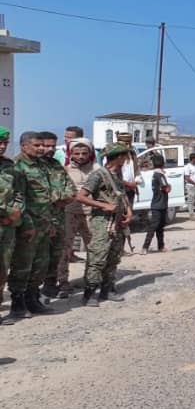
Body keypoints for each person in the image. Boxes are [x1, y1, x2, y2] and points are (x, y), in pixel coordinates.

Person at [6, 132, 57, 320]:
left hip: (43, 223)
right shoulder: (17, 166)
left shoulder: (41, 165)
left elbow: (46, 197)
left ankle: (32, 298)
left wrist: (50, 222)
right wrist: (27, 225)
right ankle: (18, 304)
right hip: (27, 225)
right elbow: (18, 199)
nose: (42, 148)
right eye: (37, 145)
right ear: (24, 146)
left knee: (40, 264)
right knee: (22, 265)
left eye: (42, 145)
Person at [76, 142, 132, 306]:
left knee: (114, 257)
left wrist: (128, 212)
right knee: (98, 257)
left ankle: (107, 289)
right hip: (102, 222)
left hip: (117, 222)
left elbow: (122, 195)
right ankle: (89, 293)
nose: (126, 159)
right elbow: (81, 196)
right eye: (125, 156)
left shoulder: (116, 175)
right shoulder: (99, 175)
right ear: (120, 157)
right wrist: (103, 205)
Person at [39, 131, 77, 299]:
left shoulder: (56, 165)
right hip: (38, 219)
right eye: (46, 146)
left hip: (58, 218)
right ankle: (30, 293)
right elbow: (37, 193)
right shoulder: (30, 165)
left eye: (53, 146)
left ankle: (49, 287)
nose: (50, 149)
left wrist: (61, 199)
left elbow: (71, 189)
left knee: (56, 255)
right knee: (37, 257)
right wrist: (58, 197)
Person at [61, 137, 97, 298]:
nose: (81, 156)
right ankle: (63, 281)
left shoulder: (97, 170)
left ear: (90, 153)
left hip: (92, 213)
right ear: (71, 154)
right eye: (77, 153)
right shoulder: (66, 170)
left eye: (84, 153)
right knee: (65, 249)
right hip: (70, 212)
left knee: (94, 248)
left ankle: (91, 279)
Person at [0, 126, 26, 323]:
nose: (2, 146)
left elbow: (19, 193)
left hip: (7, 225)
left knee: (2, 269)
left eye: (5, 143)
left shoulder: (10, 167)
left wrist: (15, 212)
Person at [141, 152, 170, 253]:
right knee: (154, 226)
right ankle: (145, 247)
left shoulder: (155, 174)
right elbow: (166, 188)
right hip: (159, 205)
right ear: (163, 163)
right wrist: (168, 186)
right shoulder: (160, 175)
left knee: (159, 227)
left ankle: (160, 246)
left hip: (158, 204)